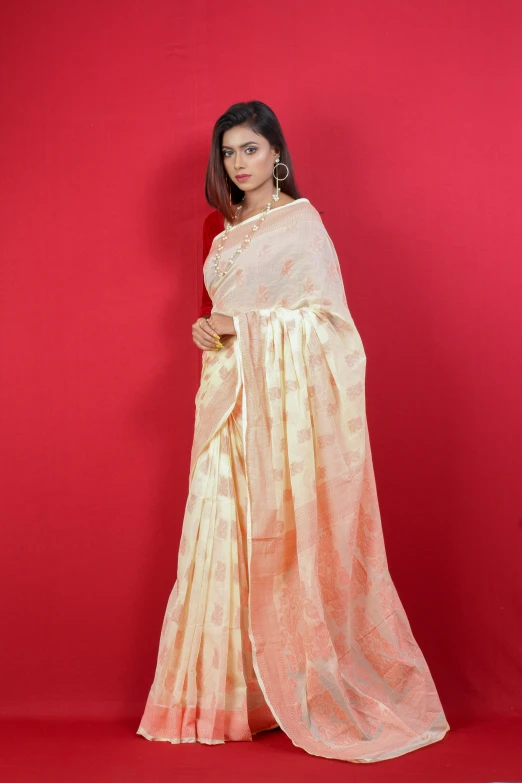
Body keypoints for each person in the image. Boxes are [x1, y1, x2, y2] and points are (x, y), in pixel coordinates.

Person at [137, 100, 450, 762]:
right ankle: (230, 700)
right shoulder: (216, 227)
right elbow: (213, 311)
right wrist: (208, 328)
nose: (237, 163)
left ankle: (305, 684)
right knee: (221, 542)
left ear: (276, 153)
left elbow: (330, 324)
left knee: (285, 540)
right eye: (227, 152)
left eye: (249, 149)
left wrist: (243, 328)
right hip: (229, 403)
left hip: (285, 417)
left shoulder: (303, 226)